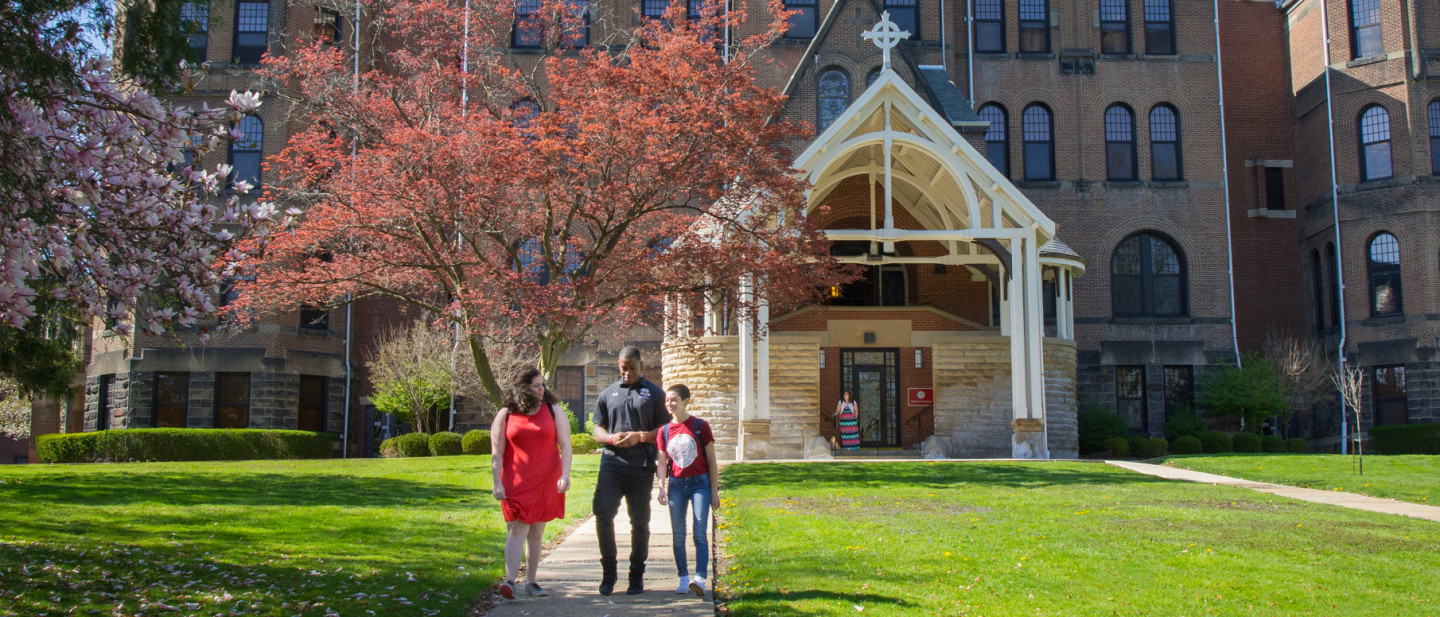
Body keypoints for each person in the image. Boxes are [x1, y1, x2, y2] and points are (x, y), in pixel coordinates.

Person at [591, 346, 670, 595]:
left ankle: (636, 575)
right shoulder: (607, 394)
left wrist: (642, 436)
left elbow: (665, 429)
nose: (627, 373)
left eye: (632, 368)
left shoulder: (655, 394)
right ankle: (609, 573)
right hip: (612, 464)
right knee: (603, 512)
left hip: (641, 465)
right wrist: (611, 439)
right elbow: (597, 430)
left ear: (641, 365)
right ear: (618, 365)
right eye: (623, 368)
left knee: (640, 521)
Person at [490, 367, 573, 600]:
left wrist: (565, 474)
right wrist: (496, 482)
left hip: (547, 479)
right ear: (522, 388)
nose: (541, 389)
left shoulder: (554, 411)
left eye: (542, 385)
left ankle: (532, 581)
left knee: (536, 532)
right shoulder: (506, 414)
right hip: (515, 481)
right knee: (517, 528)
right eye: (536, 386)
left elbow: (565, 446)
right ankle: (509, 581)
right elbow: (496, 452)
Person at [656, 384, 717, 599]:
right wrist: (662, 487)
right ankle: (683, 577)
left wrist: (714, 491)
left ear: (686, 401)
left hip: (700, 484)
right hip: (677, 486)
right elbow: (662, 462)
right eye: (667, 400)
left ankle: (700, 578)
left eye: (674, 400)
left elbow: (711, 460)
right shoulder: (664, 431)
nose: (669, 404)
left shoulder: (700, 426)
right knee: (678, 535)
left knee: (699, 533)